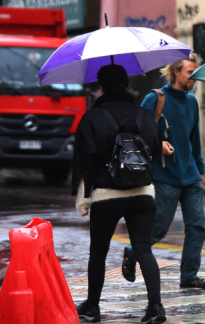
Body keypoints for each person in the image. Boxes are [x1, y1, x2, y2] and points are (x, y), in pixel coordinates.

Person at [72, 64, 165, 323]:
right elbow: (154, 150)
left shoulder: (92, 117)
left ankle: (92, 307)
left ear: (101, 87)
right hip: (143, 193)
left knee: (98, 252)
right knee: (144, 250)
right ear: (126, 84)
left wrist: (84, 198)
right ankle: (156, 307)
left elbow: (84, 162)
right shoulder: (144, 115)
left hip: (107, 195)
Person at [121, 53, 205, 290]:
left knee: (198, 226)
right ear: (176, 73)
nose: (194, 77)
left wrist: (200, 169)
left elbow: (194, 140)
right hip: (165, 176)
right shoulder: (155, 98)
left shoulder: (192, 101)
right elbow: (135, 132)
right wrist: (157, 144)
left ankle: (189, 276)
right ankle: (132, 253)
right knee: (160, 227)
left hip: (190, 175)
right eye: (190, 72)